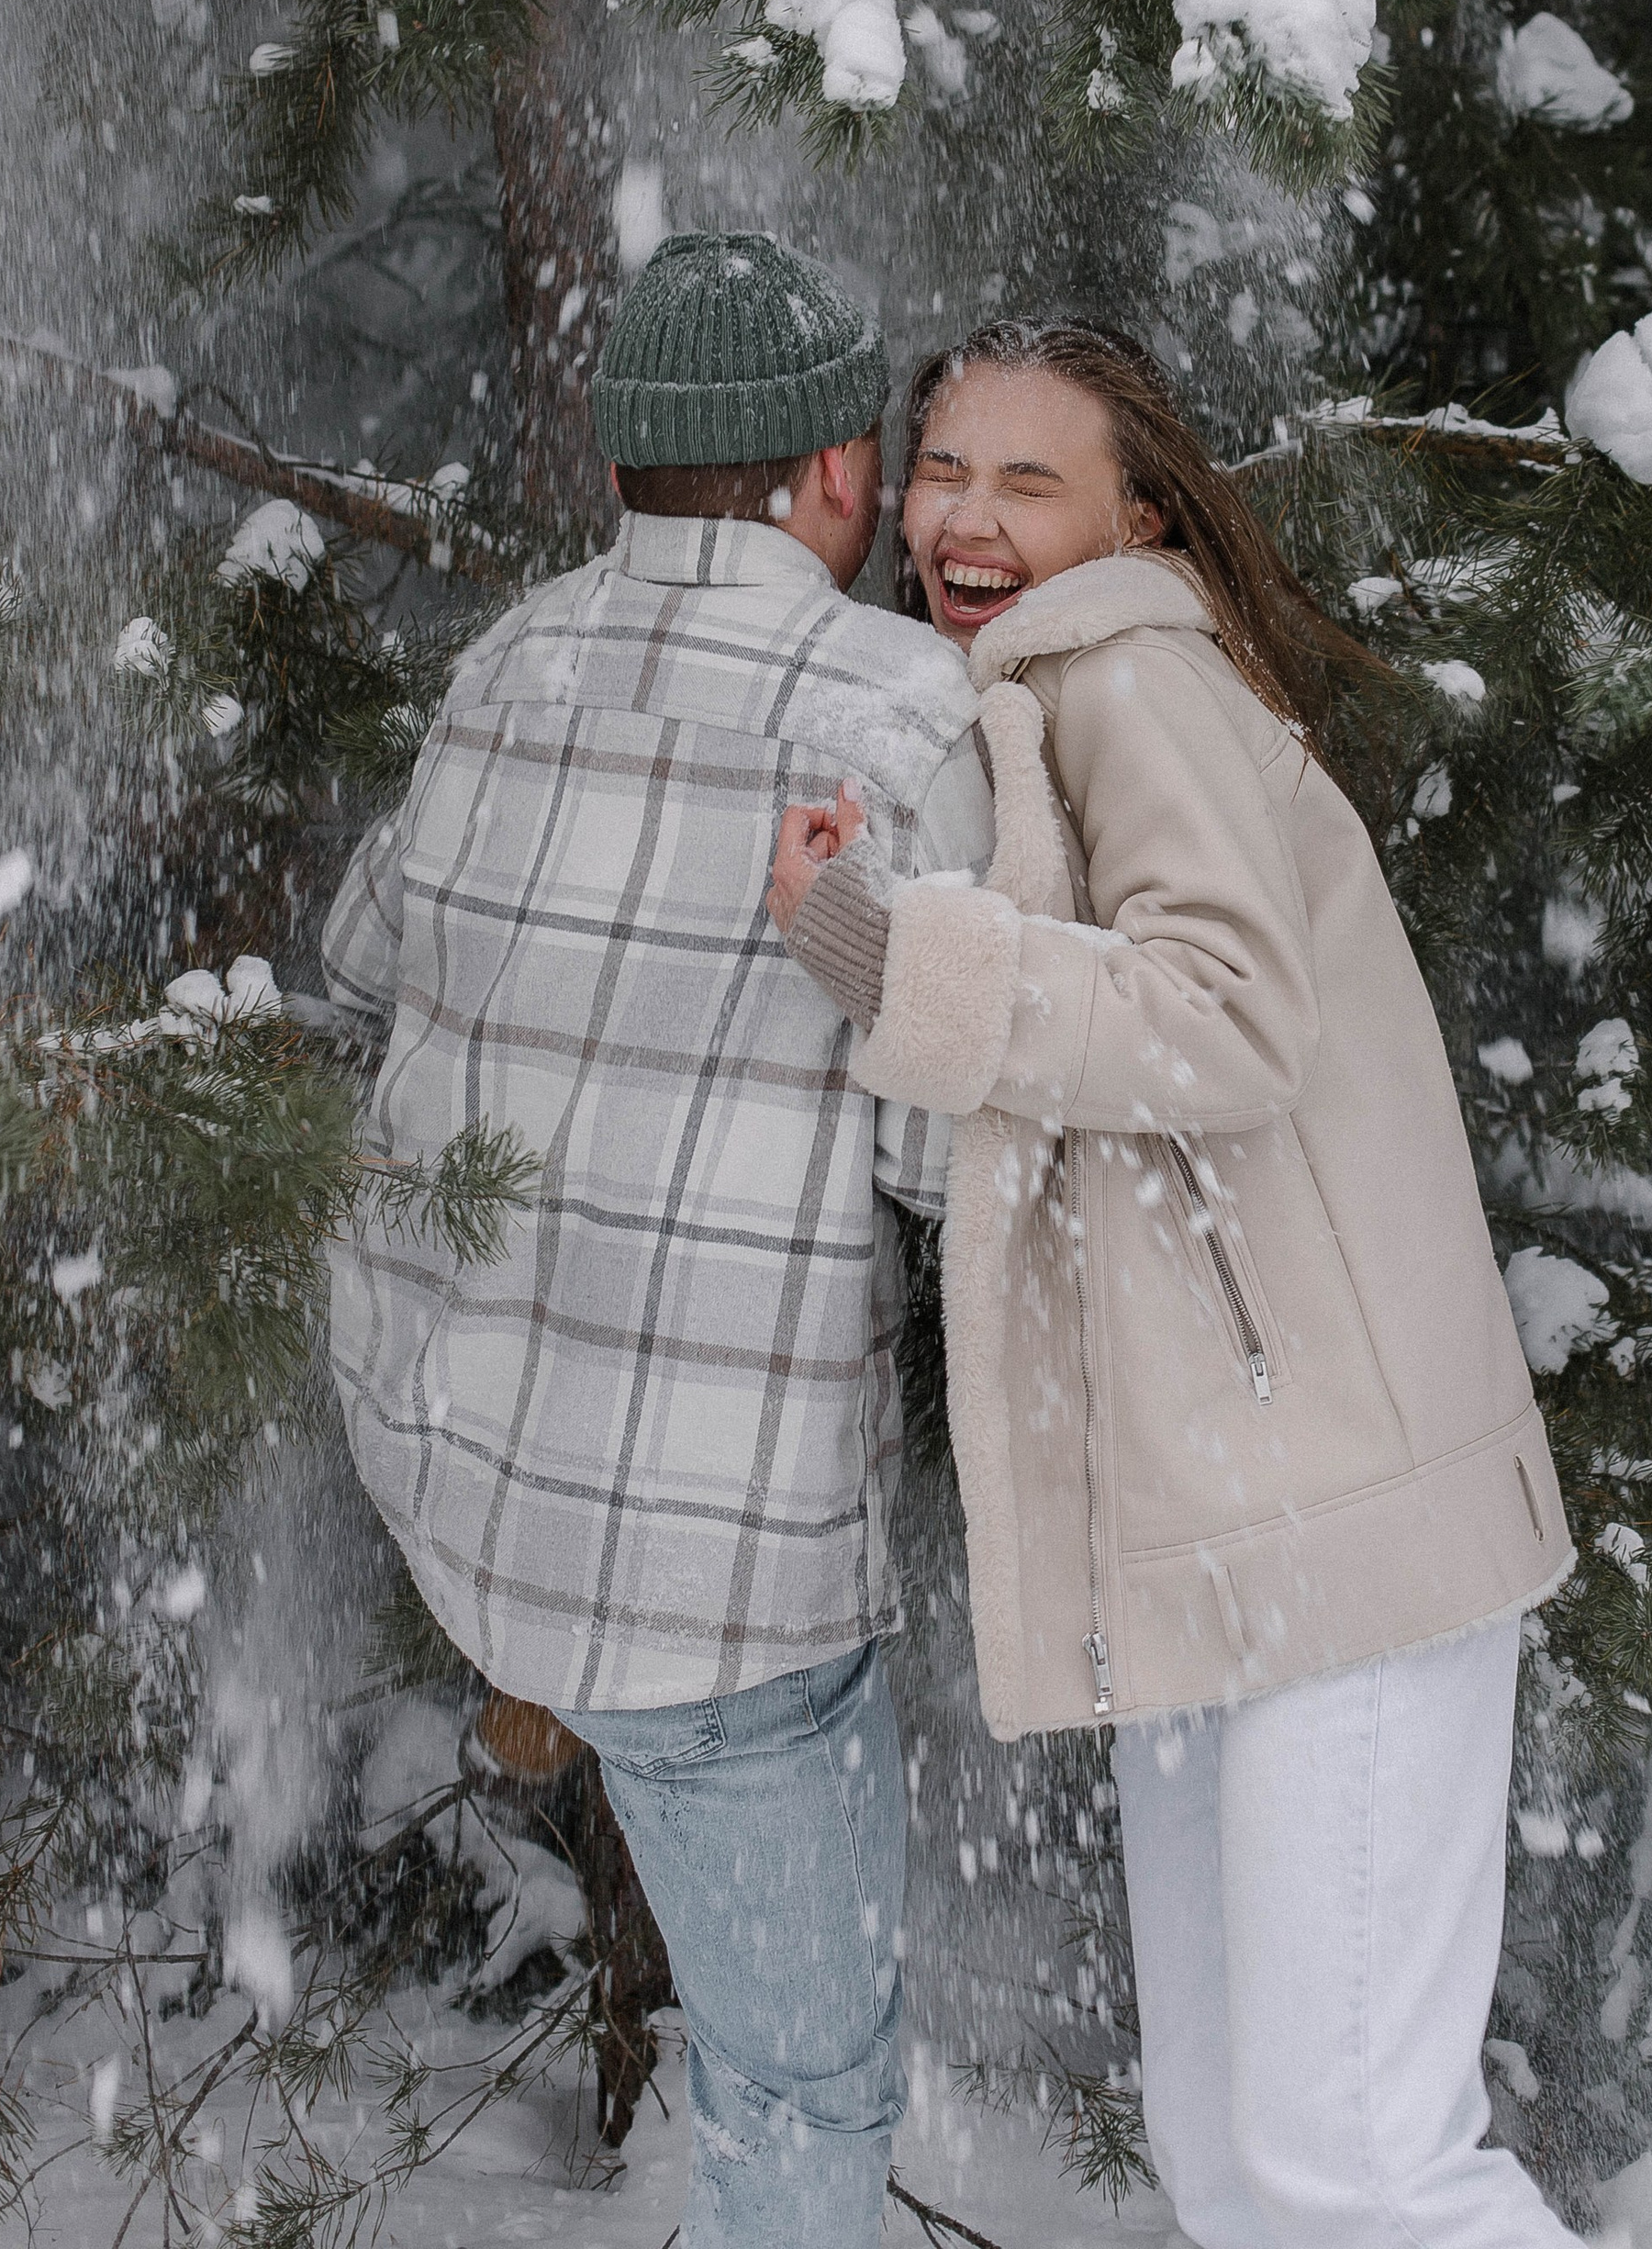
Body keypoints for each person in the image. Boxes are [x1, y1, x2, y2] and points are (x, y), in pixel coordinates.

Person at [770, 320, 1582, 2249]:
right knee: (1241, 2173)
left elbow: (1219, 1024)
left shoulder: (1129, 668)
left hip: (1326, 1528)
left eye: (1023, 481)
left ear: (1136, 512)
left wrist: (893, 962)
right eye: (942, 468)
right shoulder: (1038, 696)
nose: (962, 517)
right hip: (1218, 1534)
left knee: (1356, 2166)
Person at [319, 232, 991, 2249]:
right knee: (805, 2091)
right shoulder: (899, 706)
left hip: (464, 1483)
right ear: (838, 476)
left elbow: (365, 963)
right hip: (706, 1576)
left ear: (623, 470)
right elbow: (951, 1154)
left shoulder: (505, 655)